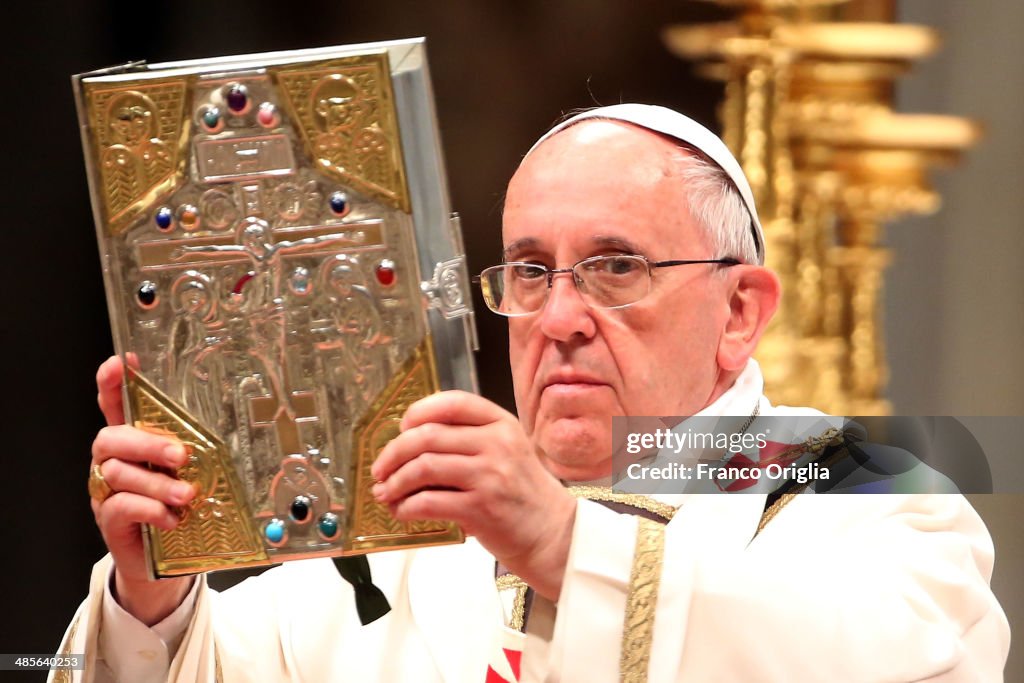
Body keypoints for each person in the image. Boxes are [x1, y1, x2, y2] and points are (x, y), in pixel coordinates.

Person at [58, 104, 1010, 682]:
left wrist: (561, 542)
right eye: (528, 270)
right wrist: (154, 600)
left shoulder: (864, 490)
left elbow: (900, 660)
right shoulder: (410, 518)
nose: (559, 316)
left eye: (615, 267)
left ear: (739, 310)